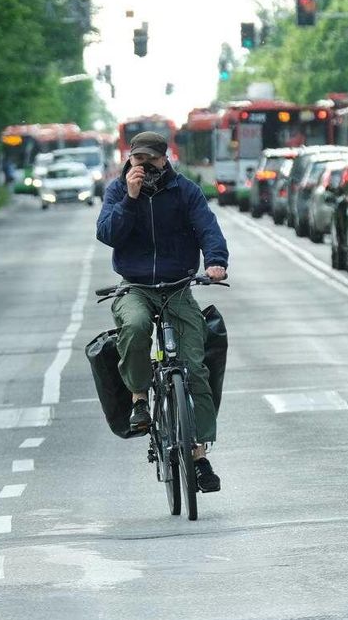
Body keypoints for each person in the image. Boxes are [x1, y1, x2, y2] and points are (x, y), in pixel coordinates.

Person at [96, 131, 229, 492]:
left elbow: (207, 227)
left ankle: (199, 455)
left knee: (195, 366)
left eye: (150, 160)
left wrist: (216, 262)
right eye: (137, 159)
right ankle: (139, 398)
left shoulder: (184, 191)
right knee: (136, 326)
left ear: (164, 158)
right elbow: (107, 234)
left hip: (177, 286)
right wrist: (131, 198)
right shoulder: (118, 191)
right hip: (135, 286)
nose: (143, 166)